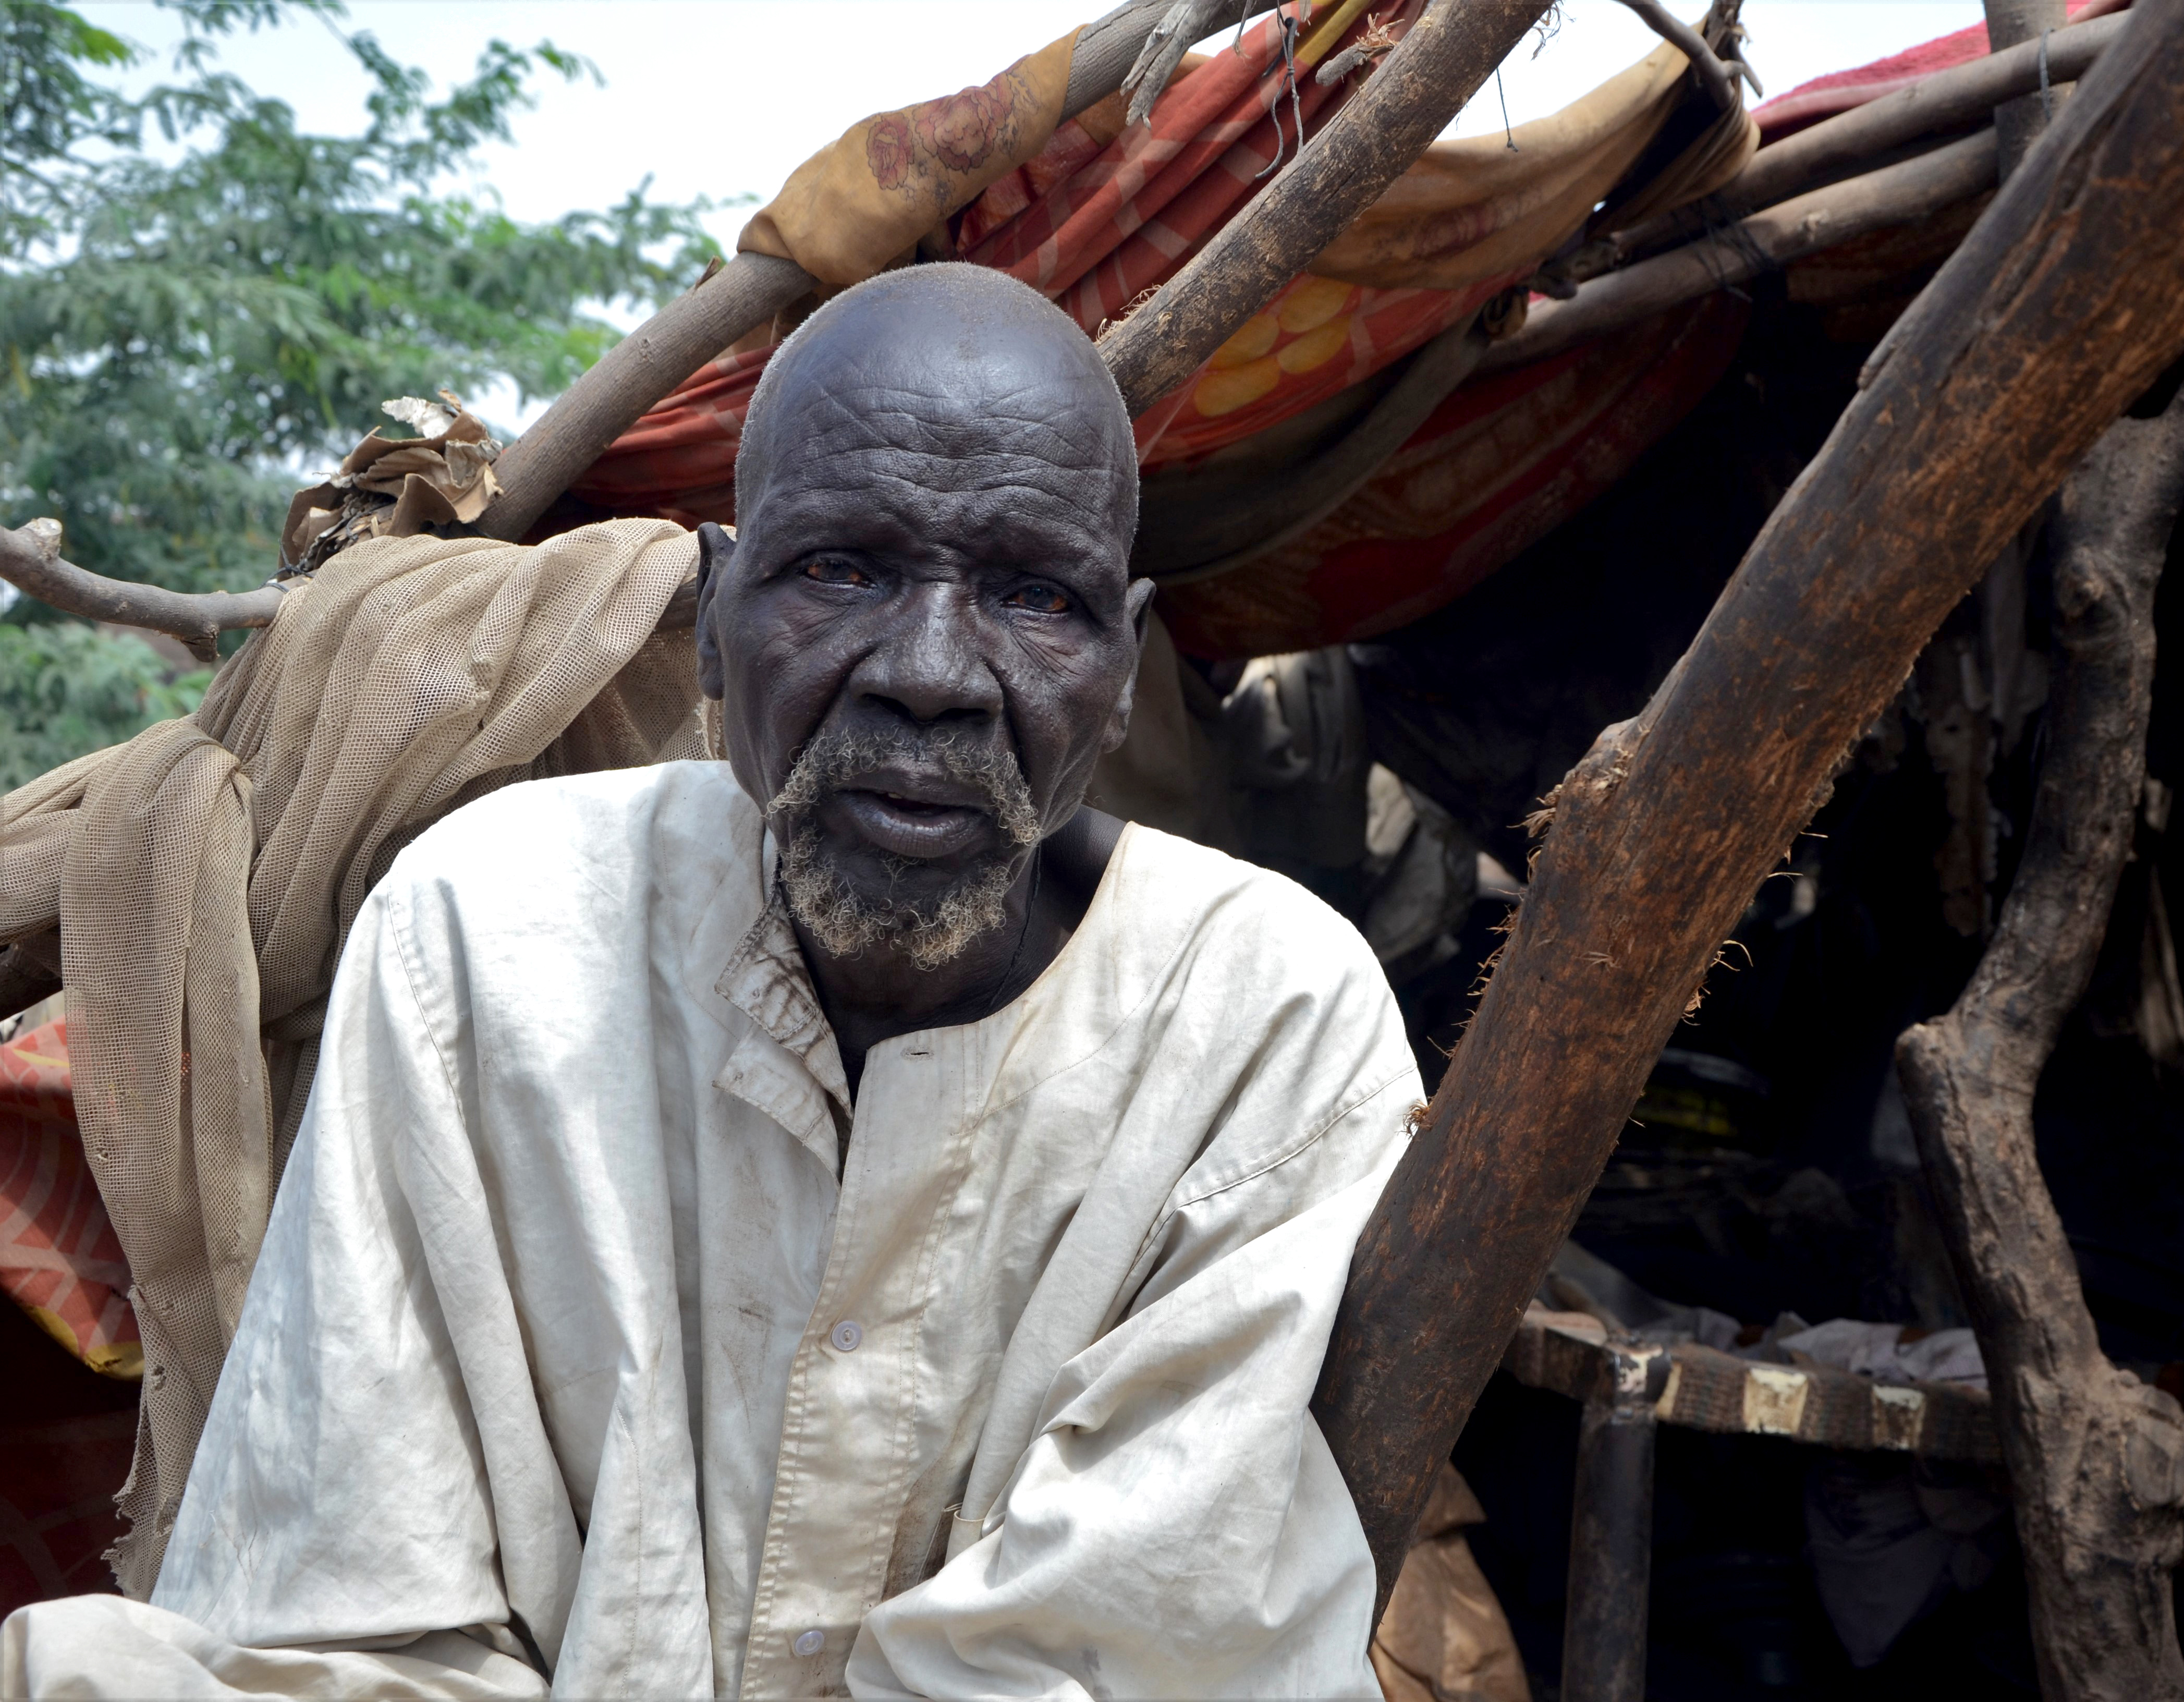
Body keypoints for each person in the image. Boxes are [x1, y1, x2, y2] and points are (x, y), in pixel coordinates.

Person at [2, 264, 1418, 1699]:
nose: (929, 672)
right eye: (843, 570)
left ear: (1120, 667)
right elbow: (353, 1613)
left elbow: (1114, 1648)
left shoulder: (1270, 1026)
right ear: (715, 614)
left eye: (1029, 593)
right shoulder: (487, 937)